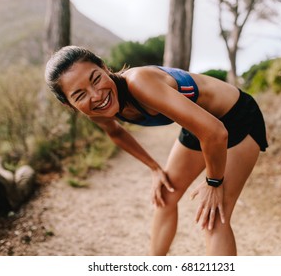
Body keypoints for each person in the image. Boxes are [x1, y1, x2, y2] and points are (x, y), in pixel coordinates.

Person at [45, 45, 268, 256]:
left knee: (214, 217)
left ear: (104, 67)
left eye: (96, 79)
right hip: (199, 126)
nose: (96, 95)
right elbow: (116, 133)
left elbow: (215, 132)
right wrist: (154, 168)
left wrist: (214, 183)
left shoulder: (139, 82)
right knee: (165, 197)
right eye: (80, 95)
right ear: (69, 104)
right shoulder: (96, 110)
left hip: (237, 117)